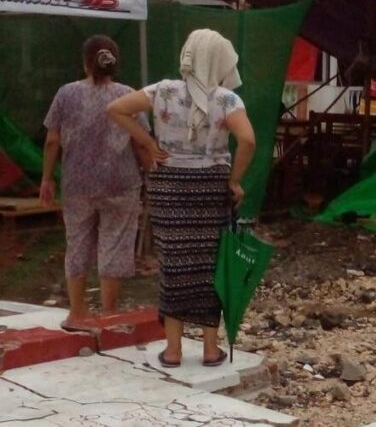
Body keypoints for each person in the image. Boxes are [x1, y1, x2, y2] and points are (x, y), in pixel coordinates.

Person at [108, 29, 255, 368]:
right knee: (210, 266)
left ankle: (173, 350)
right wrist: (234, 181)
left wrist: (148, 143)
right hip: (210, 187)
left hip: (169, 185)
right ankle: (210, 350)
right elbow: (247, 140)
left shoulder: (163, 90)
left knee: (173, 266)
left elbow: (115, 109)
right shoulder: (227, 100)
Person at [40, 35, 150, 332]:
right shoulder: (129, 96)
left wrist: (47, 178)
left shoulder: (66, 94)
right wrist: (151, 175)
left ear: (85, 62)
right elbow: (141, 142)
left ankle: (77, 313)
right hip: (121, 183)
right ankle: (109, 315)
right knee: (115, 244)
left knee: (77, 243)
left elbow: (52, 141)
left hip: (77, 184)